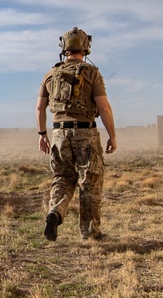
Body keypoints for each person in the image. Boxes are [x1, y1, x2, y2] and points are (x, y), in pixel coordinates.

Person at [36, 27, 117, 241]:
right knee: (89, 181)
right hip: (85, 134)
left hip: (58, 136)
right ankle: (89, 233)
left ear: (64, 47)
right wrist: (112, 136)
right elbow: (104, 107)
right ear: (86, 47)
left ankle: (55, 212)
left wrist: (42, 134)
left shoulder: (50, 74)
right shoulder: (91, 73)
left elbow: (39, 108)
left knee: (63, 177)